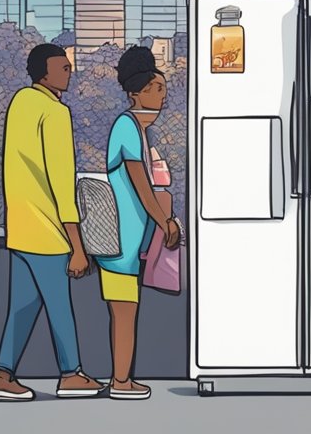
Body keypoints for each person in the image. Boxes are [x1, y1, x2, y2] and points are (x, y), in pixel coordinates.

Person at [0, 43, 104, 401]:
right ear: (44, 72)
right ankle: (71, 374)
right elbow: (61, 180)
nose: (69, 72)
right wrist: (78, 246)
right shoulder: (54, 113)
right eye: (63, 68)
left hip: (19, 227)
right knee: (59, 306)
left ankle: (2, 374)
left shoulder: (20, 103)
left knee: (23, 305)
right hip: (48, 231)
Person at [91, 46, 180, 401]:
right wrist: (166, 221)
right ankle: (121, 381)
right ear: (136, 93)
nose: (163, 96)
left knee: (127, 310)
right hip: (119, 243)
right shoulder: (127, 128)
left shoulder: (136, 131)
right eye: (157, 89)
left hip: (129, 243)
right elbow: (141, 186)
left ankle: (122, 378)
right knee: (124, 313)